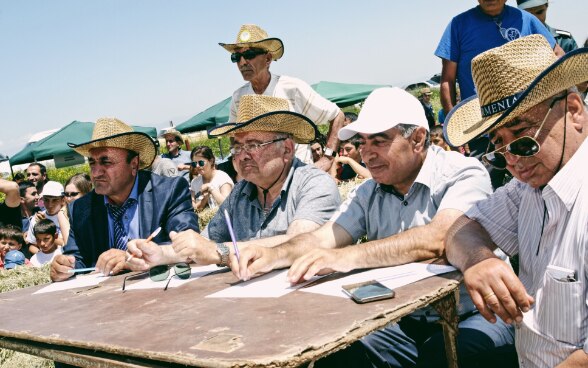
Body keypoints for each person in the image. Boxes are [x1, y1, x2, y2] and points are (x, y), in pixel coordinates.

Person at [234, 87, 515, 368]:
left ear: (417, 138)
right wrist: (274, 255)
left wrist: (345, 256)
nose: (366, 154)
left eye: (378, 141)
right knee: (334, 351)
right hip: (403, 319)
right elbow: (325, 237)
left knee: (445, 356)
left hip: (479, 314)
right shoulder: (369, 191)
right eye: (363, 142)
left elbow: (442, 236)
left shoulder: (462, 172)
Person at [443, 35, 588, 367]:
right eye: (498, 145)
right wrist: (479, 260)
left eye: (522, 137)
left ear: (574, 111)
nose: (511, 160)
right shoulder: (529, 188)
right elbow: (459, 230)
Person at [126, 95, 340, 271]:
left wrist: (219, 252)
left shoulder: (315, 184)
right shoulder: (241, 193)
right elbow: (204, 244)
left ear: (286, 149)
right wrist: (159, 254)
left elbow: (299, 244)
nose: (242, 156)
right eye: (237, 147)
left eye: (254, 145)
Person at [50, 117, 198, 281]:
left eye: (106, 162)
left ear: (134, 165)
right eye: (92, 163)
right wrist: (64, 268)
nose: (95, 173)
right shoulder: (81, 208)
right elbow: (79, 261)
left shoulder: (169, 191)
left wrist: (131, 259)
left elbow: (190, 247)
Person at [435, 0, 563, 190]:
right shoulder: (459, 25)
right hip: (481, 131)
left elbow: (557, 55)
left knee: (546, 186)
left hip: (528, 129)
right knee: (481, 192)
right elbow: (447, 80)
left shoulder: (526, 20)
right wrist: (457, 135)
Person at [220, 24, 345, 171]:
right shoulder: (238, 97)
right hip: (261, 181)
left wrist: (328, 158)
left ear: (268, 59)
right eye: (236, 56)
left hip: (297, 176)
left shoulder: (292, 87)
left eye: (249, 55)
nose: (242, 62)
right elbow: (234, 134)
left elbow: (337, 115)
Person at [189, 145, 234, 211]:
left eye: (201, 163)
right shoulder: (194, 183)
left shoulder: (222, 178)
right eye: (194, 164)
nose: (197, 166)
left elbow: (227, 206)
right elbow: (194, 209)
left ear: (211, 161)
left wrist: (211, 188)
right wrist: (205, 199)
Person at [25, 181, 68, 249]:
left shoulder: (68, 217)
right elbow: (32, 245)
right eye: (46, 200)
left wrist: (46, 227)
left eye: (55, 200)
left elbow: (67, 243)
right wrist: (44, 256)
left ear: (62, 200)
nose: (50, 205)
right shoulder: (37, 218)